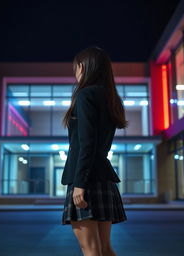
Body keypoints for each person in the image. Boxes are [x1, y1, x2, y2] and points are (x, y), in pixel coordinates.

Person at [61, 46, 128, 256]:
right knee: (105, 249)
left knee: (90, 249)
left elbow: (86, 143)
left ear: (83, 67)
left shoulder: (85, 95)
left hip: (86, 180)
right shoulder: (111, 98)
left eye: (76, 67)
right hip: (103, 178)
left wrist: (80, 183)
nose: (75, 72)